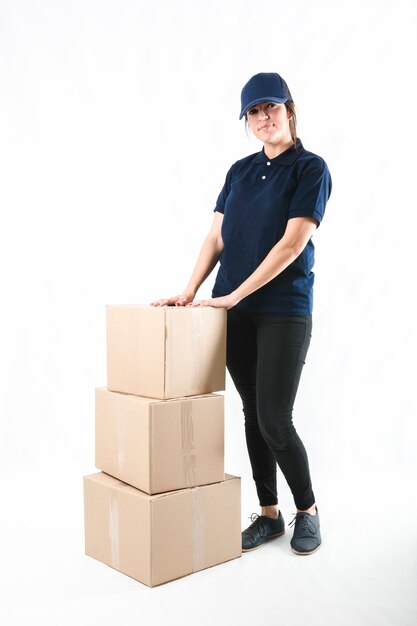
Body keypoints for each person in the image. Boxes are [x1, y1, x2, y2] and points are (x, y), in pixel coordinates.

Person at [151, 72, 332, 556]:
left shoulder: (310, 168)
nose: (262, 118)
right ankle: (269, 515)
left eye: (270, 107)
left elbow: (293, 243)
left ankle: (307, 511)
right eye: (253, 112)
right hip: (232, 310)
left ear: (289, 109)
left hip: (282, 309)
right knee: (254, 412)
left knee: (275, 416)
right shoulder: (238, 172)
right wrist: (190, 291)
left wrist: (235, 295)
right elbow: (217, 238)